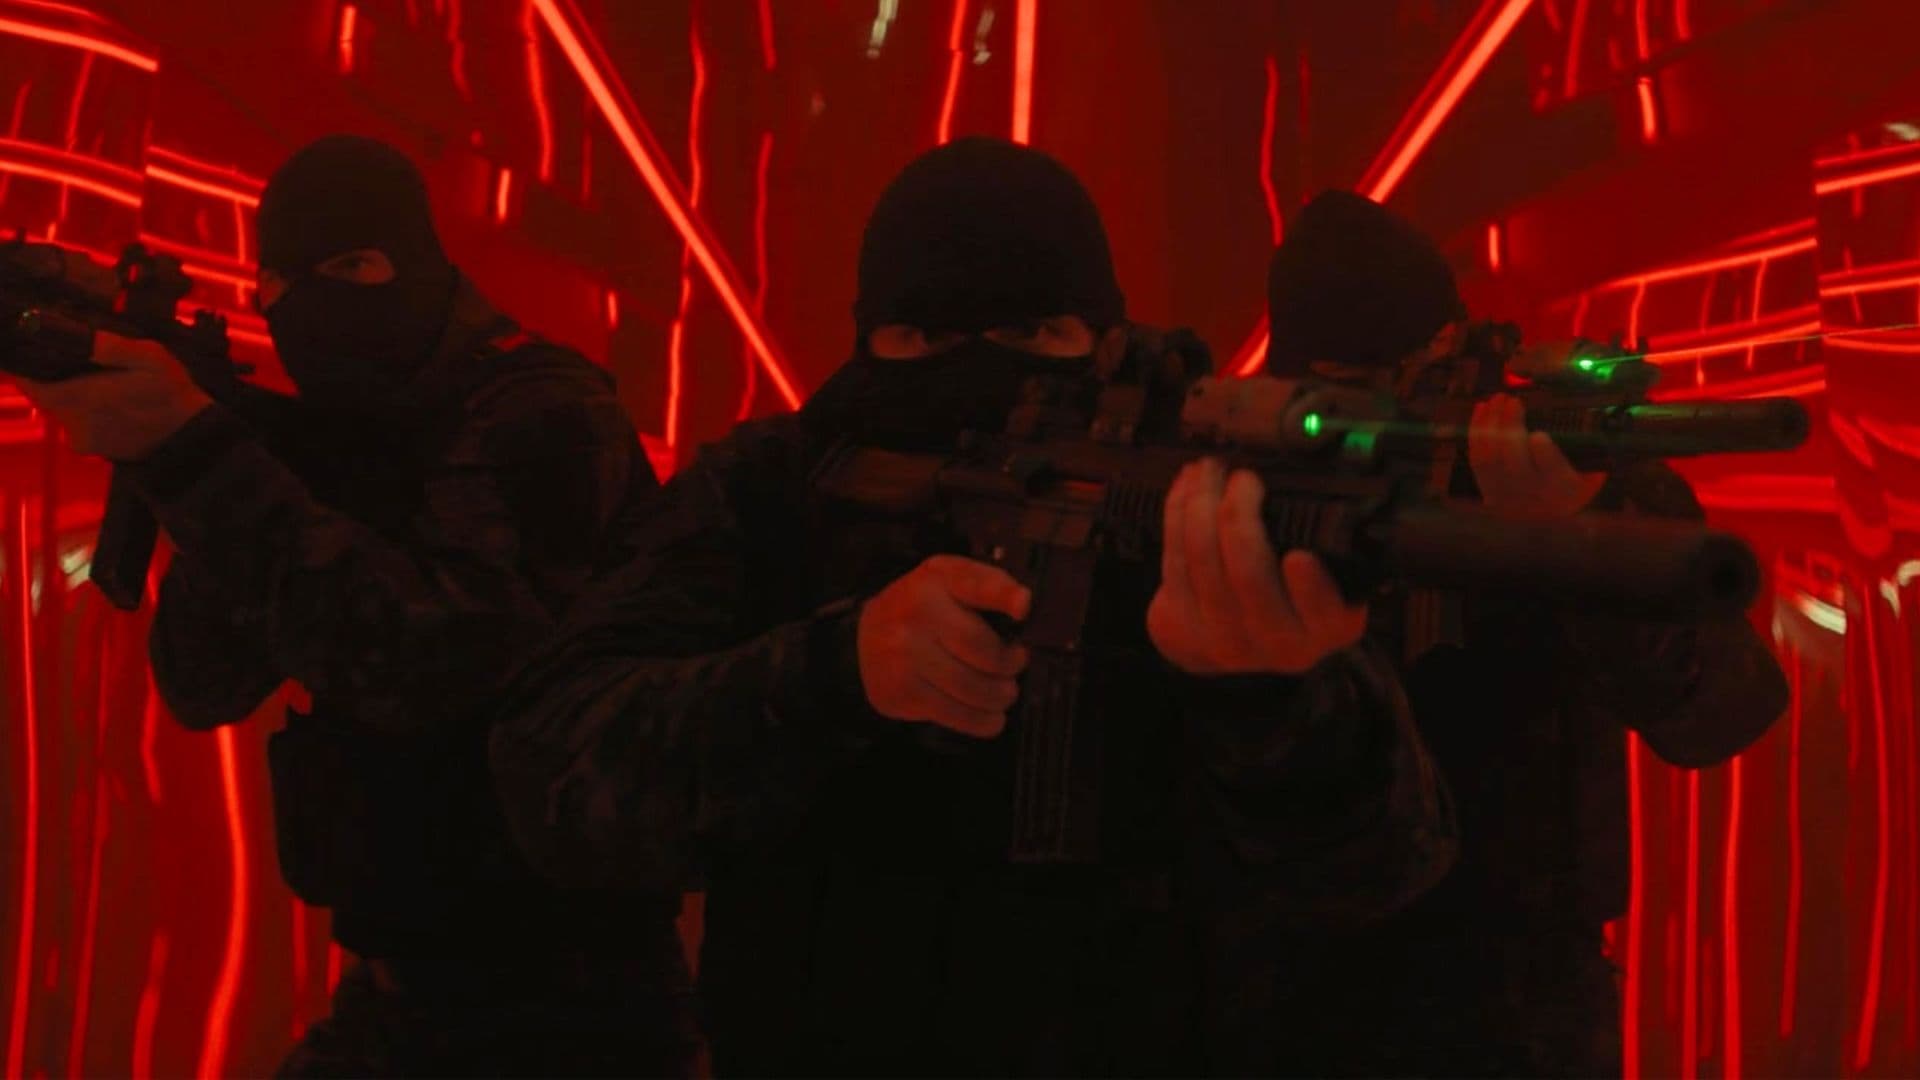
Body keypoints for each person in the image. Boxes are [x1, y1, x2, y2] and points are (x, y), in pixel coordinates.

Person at [487, 137, 1457, 1076]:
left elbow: (1383, 868)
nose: (980, 374)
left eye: (1033, 336)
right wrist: (837, 672)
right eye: (925, 339)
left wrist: (1273, 698)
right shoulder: (774, 489)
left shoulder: (1190, 499)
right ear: (868, 343)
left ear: (1107, 345)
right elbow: (553, 777)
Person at [9, 135, 692, 1077]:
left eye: (349, 268)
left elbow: (429, 665)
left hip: (573, 1011)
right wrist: (202, 459)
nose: (299, 307)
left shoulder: (545, 413)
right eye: (274, 284)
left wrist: (198, 455)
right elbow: (201, 681)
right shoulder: (339, 436)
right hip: (402, 994)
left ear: (413, 264)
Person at [1257, 190, 1790, 1077]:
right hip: (1300, 978)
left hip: (1520, 987)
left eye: (1411, 368)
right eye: (1344, 382)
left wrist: (1578, 538)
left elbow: (1726, 709)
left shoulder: (1571, 473)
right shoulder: (1262, 485)